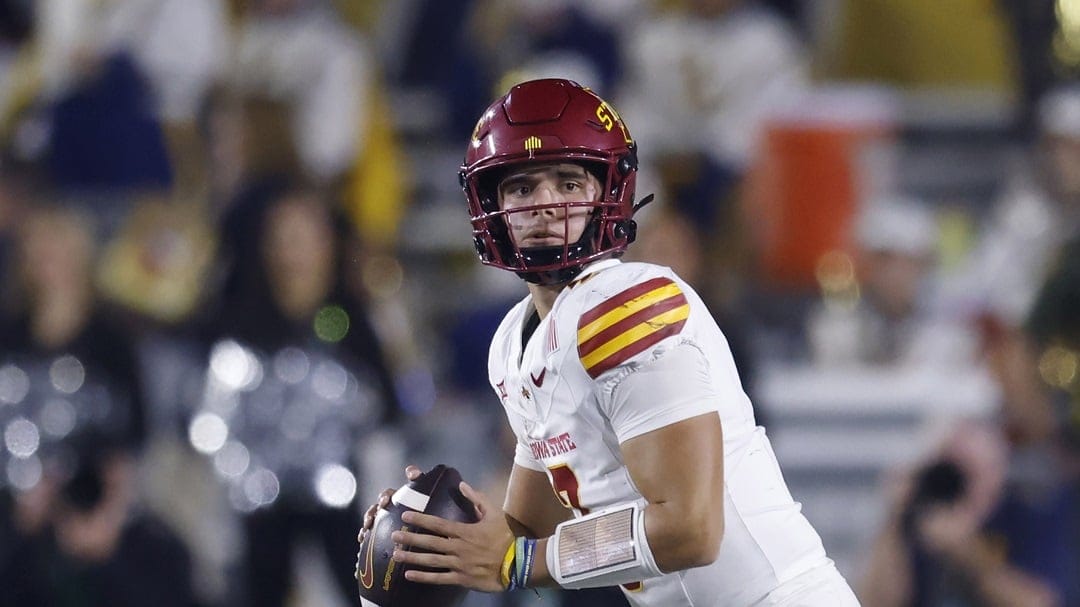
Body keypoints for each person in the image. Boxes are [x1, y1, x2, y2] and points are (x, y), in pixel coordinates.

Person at [358, 78, 858, 606]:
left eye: (569, 184)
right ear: (491, 203)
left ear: (607, 193)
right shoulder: (513, 342)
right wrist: (434, 529)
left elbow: (692, 529)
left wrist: (517, 560)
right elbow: (526, 531)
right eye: (522, 187)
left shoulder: (627, 305)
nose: (545, 204)